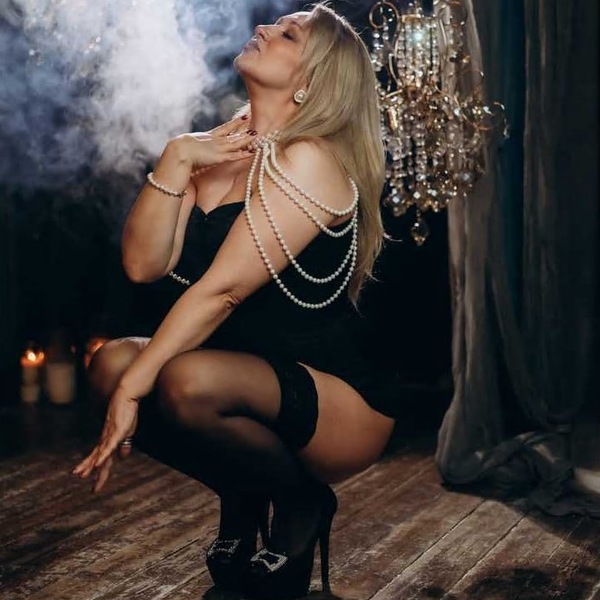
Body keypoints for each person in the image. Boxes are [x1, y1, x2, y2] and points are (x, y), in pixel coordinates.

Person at [72, 4, 398, 599]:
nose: (265, 28)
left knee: (179, 380)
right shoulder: (214, 149)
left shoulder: (311, 157)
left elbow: (222, 291)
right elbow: (144, 266)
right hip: (230, 375)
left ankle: (302, 502)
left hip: (335, 398)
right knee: (110, 363)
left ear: (313, 81)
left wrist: (134, 390)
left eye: (288, 33)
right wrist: (177, 155)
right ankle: (244, 491)